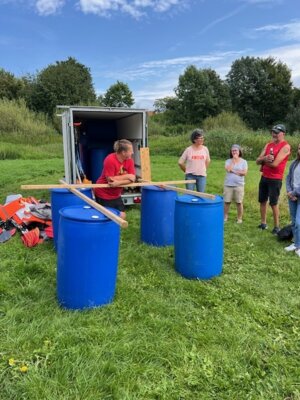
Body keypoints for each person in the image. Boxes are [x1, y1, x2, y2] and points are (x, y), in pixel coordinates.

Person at [256, 124, 290, 234]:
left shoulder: (285, 146)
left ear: (283, 133)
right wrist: (265, 158)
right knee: (262, 200)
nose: (274, 134)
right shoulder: (268, 145)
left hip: (275, 179)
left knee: (273, 203)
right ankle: (263, 223)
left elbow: (275, 164)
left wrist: (263, 160)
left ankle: (276, 227)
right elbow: (257, 161)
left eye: (276, 132)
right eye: (273, 132)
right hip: (264, 176)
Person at [94, 139, 136, 219]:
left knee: (122, 215)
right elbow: (110, 180)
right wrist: (127, 176)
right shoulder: (110, 160)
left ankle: (115, 231)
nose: (133, 153)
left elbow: (133, 178)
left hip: (116, 194)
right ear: (124, 152)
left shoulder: (129, 161)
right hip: (103, 193)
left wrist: (118, 183)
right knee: (106, 218)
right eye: (131, 151)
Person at [223, 144, 248, 223]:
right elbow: (228, 169)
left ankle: (239, 218)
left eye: (236, 150)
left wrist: (233, 171)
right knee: (227, 202)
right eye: (232, 151)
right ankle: (225, 217)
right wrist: (233, 161)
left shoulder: (244, 161)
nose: (234, 152)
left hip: (239, 185)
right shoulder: (228, 161)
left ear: (239, 151)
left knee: (239, 202)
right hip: (228, 184)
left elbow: (244, 173)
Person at [285, 143, 300, 256]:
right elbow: (288, 177)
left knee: (299, 222)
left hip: (297, 195)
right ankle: (296, 243)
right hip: (292, 196)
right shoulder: (295, 163)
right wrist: (289, 191)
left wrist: (293, 193)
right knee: (294, 221)